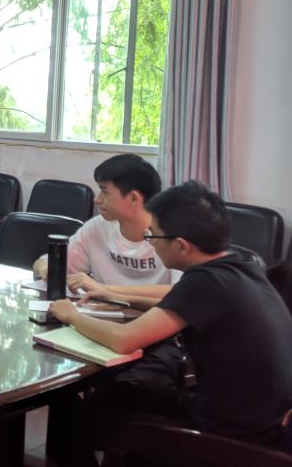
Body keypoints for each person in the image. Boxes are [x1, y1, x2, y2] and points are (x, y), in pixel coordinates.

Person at [49, 181, 292, 455]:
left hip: (230, 434)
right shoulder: (240, 267)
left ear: (181, 246)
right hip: (265, 424)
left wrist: (71, 314)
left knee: (86, 414)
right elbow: (180, 305)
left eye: (152, 235)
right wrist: (111, 294)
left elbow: (123, 340)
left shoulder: (205, 281)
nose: (150, 242)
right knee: (116, 393)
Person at [33, 154, 181, 297]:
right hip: (102, 311)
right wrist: (45, 268)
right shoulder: (97, 228)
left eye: (105, 192)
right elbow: (46, 263)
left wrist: (105, 290)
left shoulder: (173, 234)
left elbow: (181, 291)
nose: (97, 199)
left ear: (133, 198)